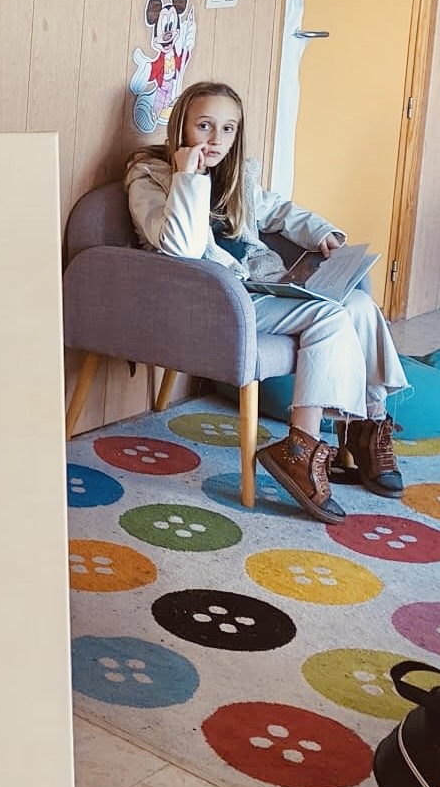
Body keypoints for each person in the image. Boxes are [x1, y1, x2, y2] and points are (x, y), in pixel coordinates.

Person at [126, 81, 407, 524]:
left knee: (358, 306)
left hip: (258, 288)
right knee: (328, 316)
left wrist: (321, 232)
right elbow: (180, 249)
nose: (216, 139)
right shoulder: (149, 178)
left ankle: (366, 427)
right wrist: (187, 177)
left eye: (228, 128)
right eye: (204, 126)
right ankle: (300, 450)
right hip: (211, 299)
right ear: (181, 127)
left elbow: (278, 211)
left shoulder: (237, 178)